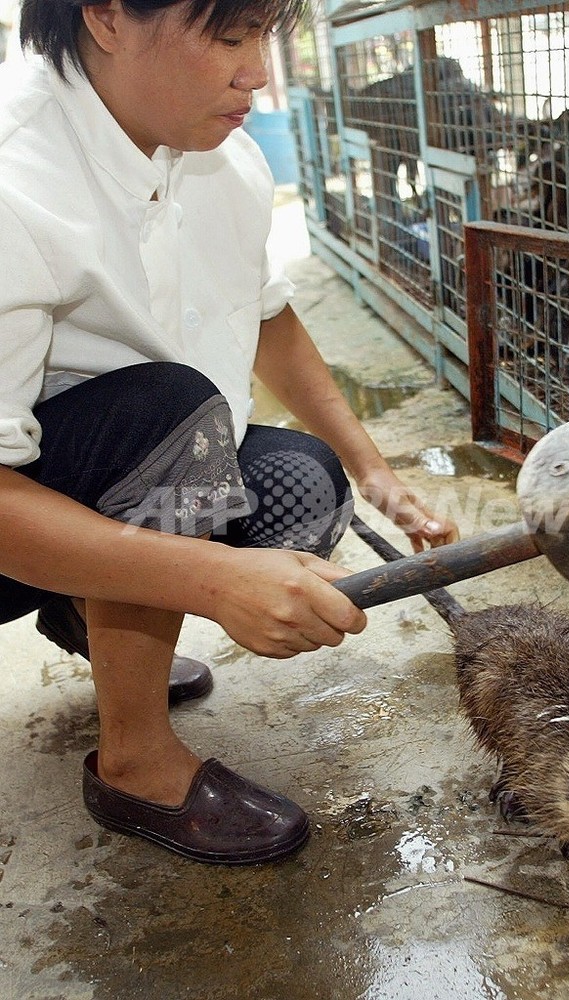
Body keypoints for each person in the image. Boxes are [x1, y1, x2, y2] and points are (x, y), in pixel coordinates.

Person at [0, 0, 458, 865]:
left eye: (265, 38)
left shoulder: (221, 155)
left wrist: (377, 473)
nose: (257, 72)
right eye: (228, 36)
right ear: (105, 15)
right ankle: (134, 760)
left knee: (303, 482)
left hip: (85, 469)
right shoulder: (14, 177)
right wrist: (211, 579)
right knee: (171, 414)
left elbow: (271, 320)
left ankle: (93, 609)